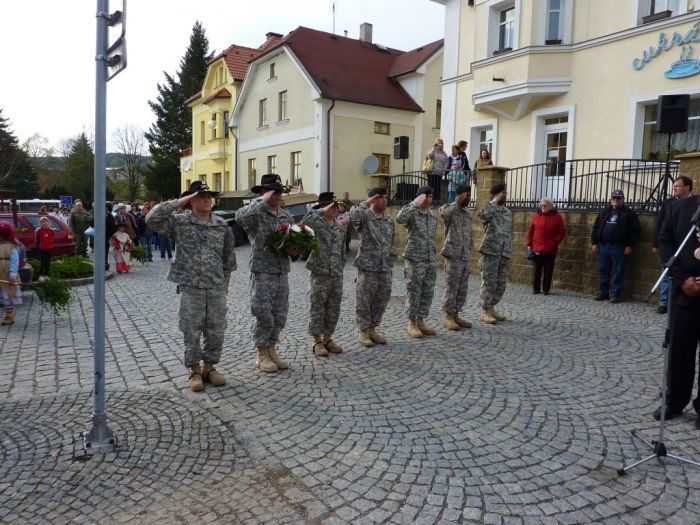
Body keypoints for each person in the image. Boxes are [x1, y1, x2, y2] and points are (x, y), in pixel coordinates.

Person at [147, 180, 236, 392]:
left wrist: (225, 283)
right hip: (191, 287)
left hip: (215, 286)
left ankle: (210, 367)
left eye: (209, 196)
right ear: (191, 200)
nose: (206, 199)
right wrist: (180, 201)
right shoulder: (180, 222)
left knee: (216, 330)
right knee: (191, 330)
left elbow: (228, 258)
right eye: (200, 196)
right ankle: (194, 370)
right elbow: (152, 219)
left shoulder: (222, 225)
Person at [236, 174, 296, 373]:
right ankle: (261, 352)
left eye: (279, 191)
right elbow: (239, 217)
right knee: (263, 312)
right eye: (273, 191)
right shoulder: (255, 213)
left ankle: (272, 348)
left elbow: (293, 238)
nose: (278, 195)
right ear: (263, 192)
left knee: (280, 314)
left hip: (281, 269)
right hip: (262, 270)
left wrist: (294, 249)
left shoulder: (285, 215)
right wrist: (261, 202)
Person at [656, 193, 700, 427]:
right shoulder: (681, 208)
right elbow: (665, 242)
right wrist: (683, 279)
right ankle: (674, 400)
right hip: (685, 294)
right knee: (679, 350)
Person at [302, 192, 348, 357]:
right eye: (333, 206)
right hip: (320, 272)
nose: (336, 209)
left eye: (337, 206)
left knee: (333, 308)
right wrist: (322, 211)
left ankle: (327, 338)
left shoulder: (339, 225)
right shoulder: (316, 223)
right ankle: (316, 341)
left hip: (336, 273)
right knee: (317, 307)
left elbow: (343, 249)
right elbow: (303, 223)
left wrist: (340, 267)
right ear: (325, 206)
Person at [349, 187, 396, 346]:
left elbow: (391, 242)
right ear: (373, 199)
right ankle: (363, 331)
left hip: (384, 267)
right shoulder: (365, 216)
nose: (385, 200)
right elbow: (353, 215)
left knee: (381, 300)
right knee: (364, 300)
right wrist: (367, 202)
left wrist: (391, 260)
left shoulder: (389, 219)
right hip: (368, 267)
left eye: (386, 197)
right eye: (381, 197)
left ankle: (372, 329)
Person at [396, 185, 438, 338]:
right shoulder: (413, 213)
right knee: (414, 292)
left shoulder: (432, 216)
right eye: (426, 196)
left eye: (431, 196)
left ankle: (421, 321)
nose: (429, 199)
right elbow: (400, 218)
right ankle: (412, 323)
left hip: (429, 259)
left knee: (427, 291)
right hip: (415, 259)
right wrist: (415, 202)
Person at [591, 189, 641, 303]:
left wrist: (630, 245)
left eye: (618, 198)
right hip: (603, 246)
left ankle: (615, 294)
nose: (615, 200)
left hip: (619, 247)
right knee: (603, 270)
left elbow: (636, 231)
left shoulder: (629, 213)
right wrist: (594, 242)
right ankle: (603, 293)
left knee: (618, 271)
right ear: (610, 199)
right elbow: (596, 227)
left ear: (623, 199)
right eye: (613, 198)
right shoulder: (605, 211)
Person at [652, 176, 693, 314]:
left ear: (687, 187)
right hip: (670, 246)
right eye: (674, 186)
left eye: (678, 186)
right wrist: (655, 243)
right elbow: (660, 224)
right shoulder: (668, 203)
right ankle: (664, 303)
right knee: (667, 273)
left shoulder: (695, 204)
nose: (674, 188)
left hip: (688, 248)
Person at [439, 184, 474, 331]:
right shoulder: (449, 210)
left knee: (462, 288)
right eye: (467, 195)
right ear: (459, 195)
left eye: (470, 195)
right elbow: (443, 214)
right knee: (451, 287)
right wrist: (457, 201)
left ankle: (456, 314)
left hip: (465, 255)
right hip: (453, 255)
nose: (469, 198)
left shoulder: (467, 213)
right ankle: (448, 316)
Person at [478, 184, 512, 324]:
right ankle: (484, 311)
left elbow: (510, 232)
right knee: (489, 282)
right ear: (495, 194)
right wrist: (494, 201)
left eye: (506, 192)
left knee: (501, 284)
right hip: (490, 251)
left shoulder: (507, 212)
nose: (505, 195)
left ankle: (491, 308)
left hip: (504, 252)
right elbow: (482, 215)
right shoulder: (489, 209)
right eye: (502, 193)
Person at [526, 197, 566, 295]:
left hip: (550, 248)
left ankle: (546, 289)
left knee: (548, 271)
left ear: (550, 206)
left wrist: (555, 242)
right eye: (542, 205)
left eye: (545, 205)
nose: (543, 207)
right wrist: (529, 244)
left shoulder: (557, 216)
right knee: (537, 270)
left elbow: (561, 232)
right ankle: (536, 289)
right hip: (537, 247)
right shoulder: (536, 215)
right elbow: (531, 231)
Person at [0, 223, 22, 326]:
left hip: (6, 273)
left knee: (7, 294)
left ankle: (8, 316)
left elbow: (14, 261)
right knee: (2, 294)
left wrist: (13, 275)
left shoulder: (12, 247)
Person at [425, 139, 449, 203]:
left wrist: (443, 171)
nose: (439, 145)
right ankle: (430, 201)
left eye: (441, 144)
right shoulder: (432, 151)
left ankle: (436, 201)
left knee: (437, 188)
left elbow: (446, 163)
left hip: (438, 173)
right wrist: (434, 148)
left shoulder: (444, 154)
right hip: (431, 172)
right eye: (438, 143)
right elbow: (430, 156)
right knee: (430, 187)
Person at [35, 216, 54, 280]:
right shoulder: (38, 231)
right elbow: (37, 240)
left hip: (49, 248)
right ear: (40, 223)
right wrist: (38, 249)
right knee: (42, 262)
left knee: (48, 262)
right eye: (43, 222)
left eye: (46, 221)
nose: (45, 223)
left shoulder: (51, 230)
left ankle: (47, 274)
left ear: (49, 222)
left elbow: (51, 238)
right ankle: (41, 274)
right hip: (41, 249)